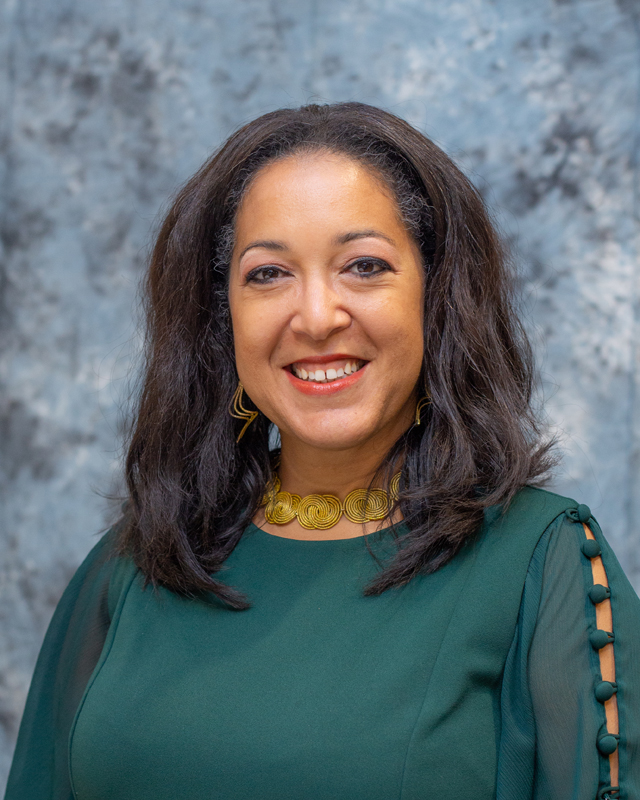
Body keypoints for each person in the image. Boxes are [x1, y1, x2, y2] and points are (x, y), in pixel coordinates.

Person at [5, 102, 640, 800]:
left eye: (364, 266)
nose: (315, 317)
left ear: (436, 298)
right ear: (222, 319)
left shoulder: (543, 562)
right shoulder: (131, 564)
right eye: (268, 274)